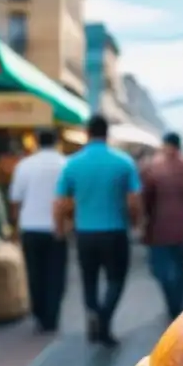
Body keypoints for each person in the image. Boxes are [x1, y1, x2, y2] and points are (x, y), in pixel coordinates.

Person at [54, 114, 141, 347]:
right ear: (107, 133)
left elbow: (60, 202)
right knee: (116, 279)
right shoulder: (123, 162)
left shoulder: (72, 163)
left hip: (85, 234)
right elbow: (134, 201)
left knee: (89, 280)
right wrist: (135, 223)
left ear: (87, 133)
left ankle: (95, 315)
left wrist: (60, 228)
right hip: (115, 231)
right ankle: (105, 319)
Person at [10, 128, 68, 333]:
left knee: (34, 273)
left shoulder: (24, 165)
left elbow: (15, 201)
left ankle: (39, 313)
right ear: (56, 141)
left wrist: (15, 226)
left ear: (35, 141)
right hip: (56, 228)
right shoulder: (65, 164)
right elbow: (69, 200)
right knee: (55, 274)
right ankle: (51, 316)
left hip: (30, 226)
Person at [141, 132, 183, 319]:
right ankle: (178, 302)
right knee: (181, 270)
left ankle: (172, 304)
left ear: (164, 145)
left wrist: (144, 223)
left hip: (159, 230)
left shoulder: (152, 168)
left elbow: (146, 201)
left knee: (161, 270)